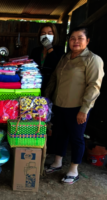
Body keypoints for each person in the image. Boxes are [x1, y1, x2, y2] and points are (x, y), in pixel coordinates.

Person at [44, 27, 104, 184]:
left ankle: (73, 170)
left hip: (78, 108)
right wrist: (46, 98)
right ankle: (57, 162)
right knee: (60, 135)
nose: (75, 41)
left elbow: (94, 86)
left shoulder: (93, 59)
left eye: (80, 38)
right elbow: (54, 80)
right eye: (72, 38)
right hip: (60, 105)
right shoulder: (65, 58)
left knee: (77, 138)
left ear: (87, 41)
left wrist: (84, 109)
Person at [30, 23, 64, 93]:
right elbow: (30, 67)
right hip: (35, 83)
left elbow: (58, 65)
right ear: (40, 36)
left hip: (52, 85)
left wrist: (49, 48)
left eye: (49, 33)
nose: (46, 36)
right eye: (43, 33)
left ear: (54, 35)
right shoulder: (35, 51)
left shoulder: (59, 50)